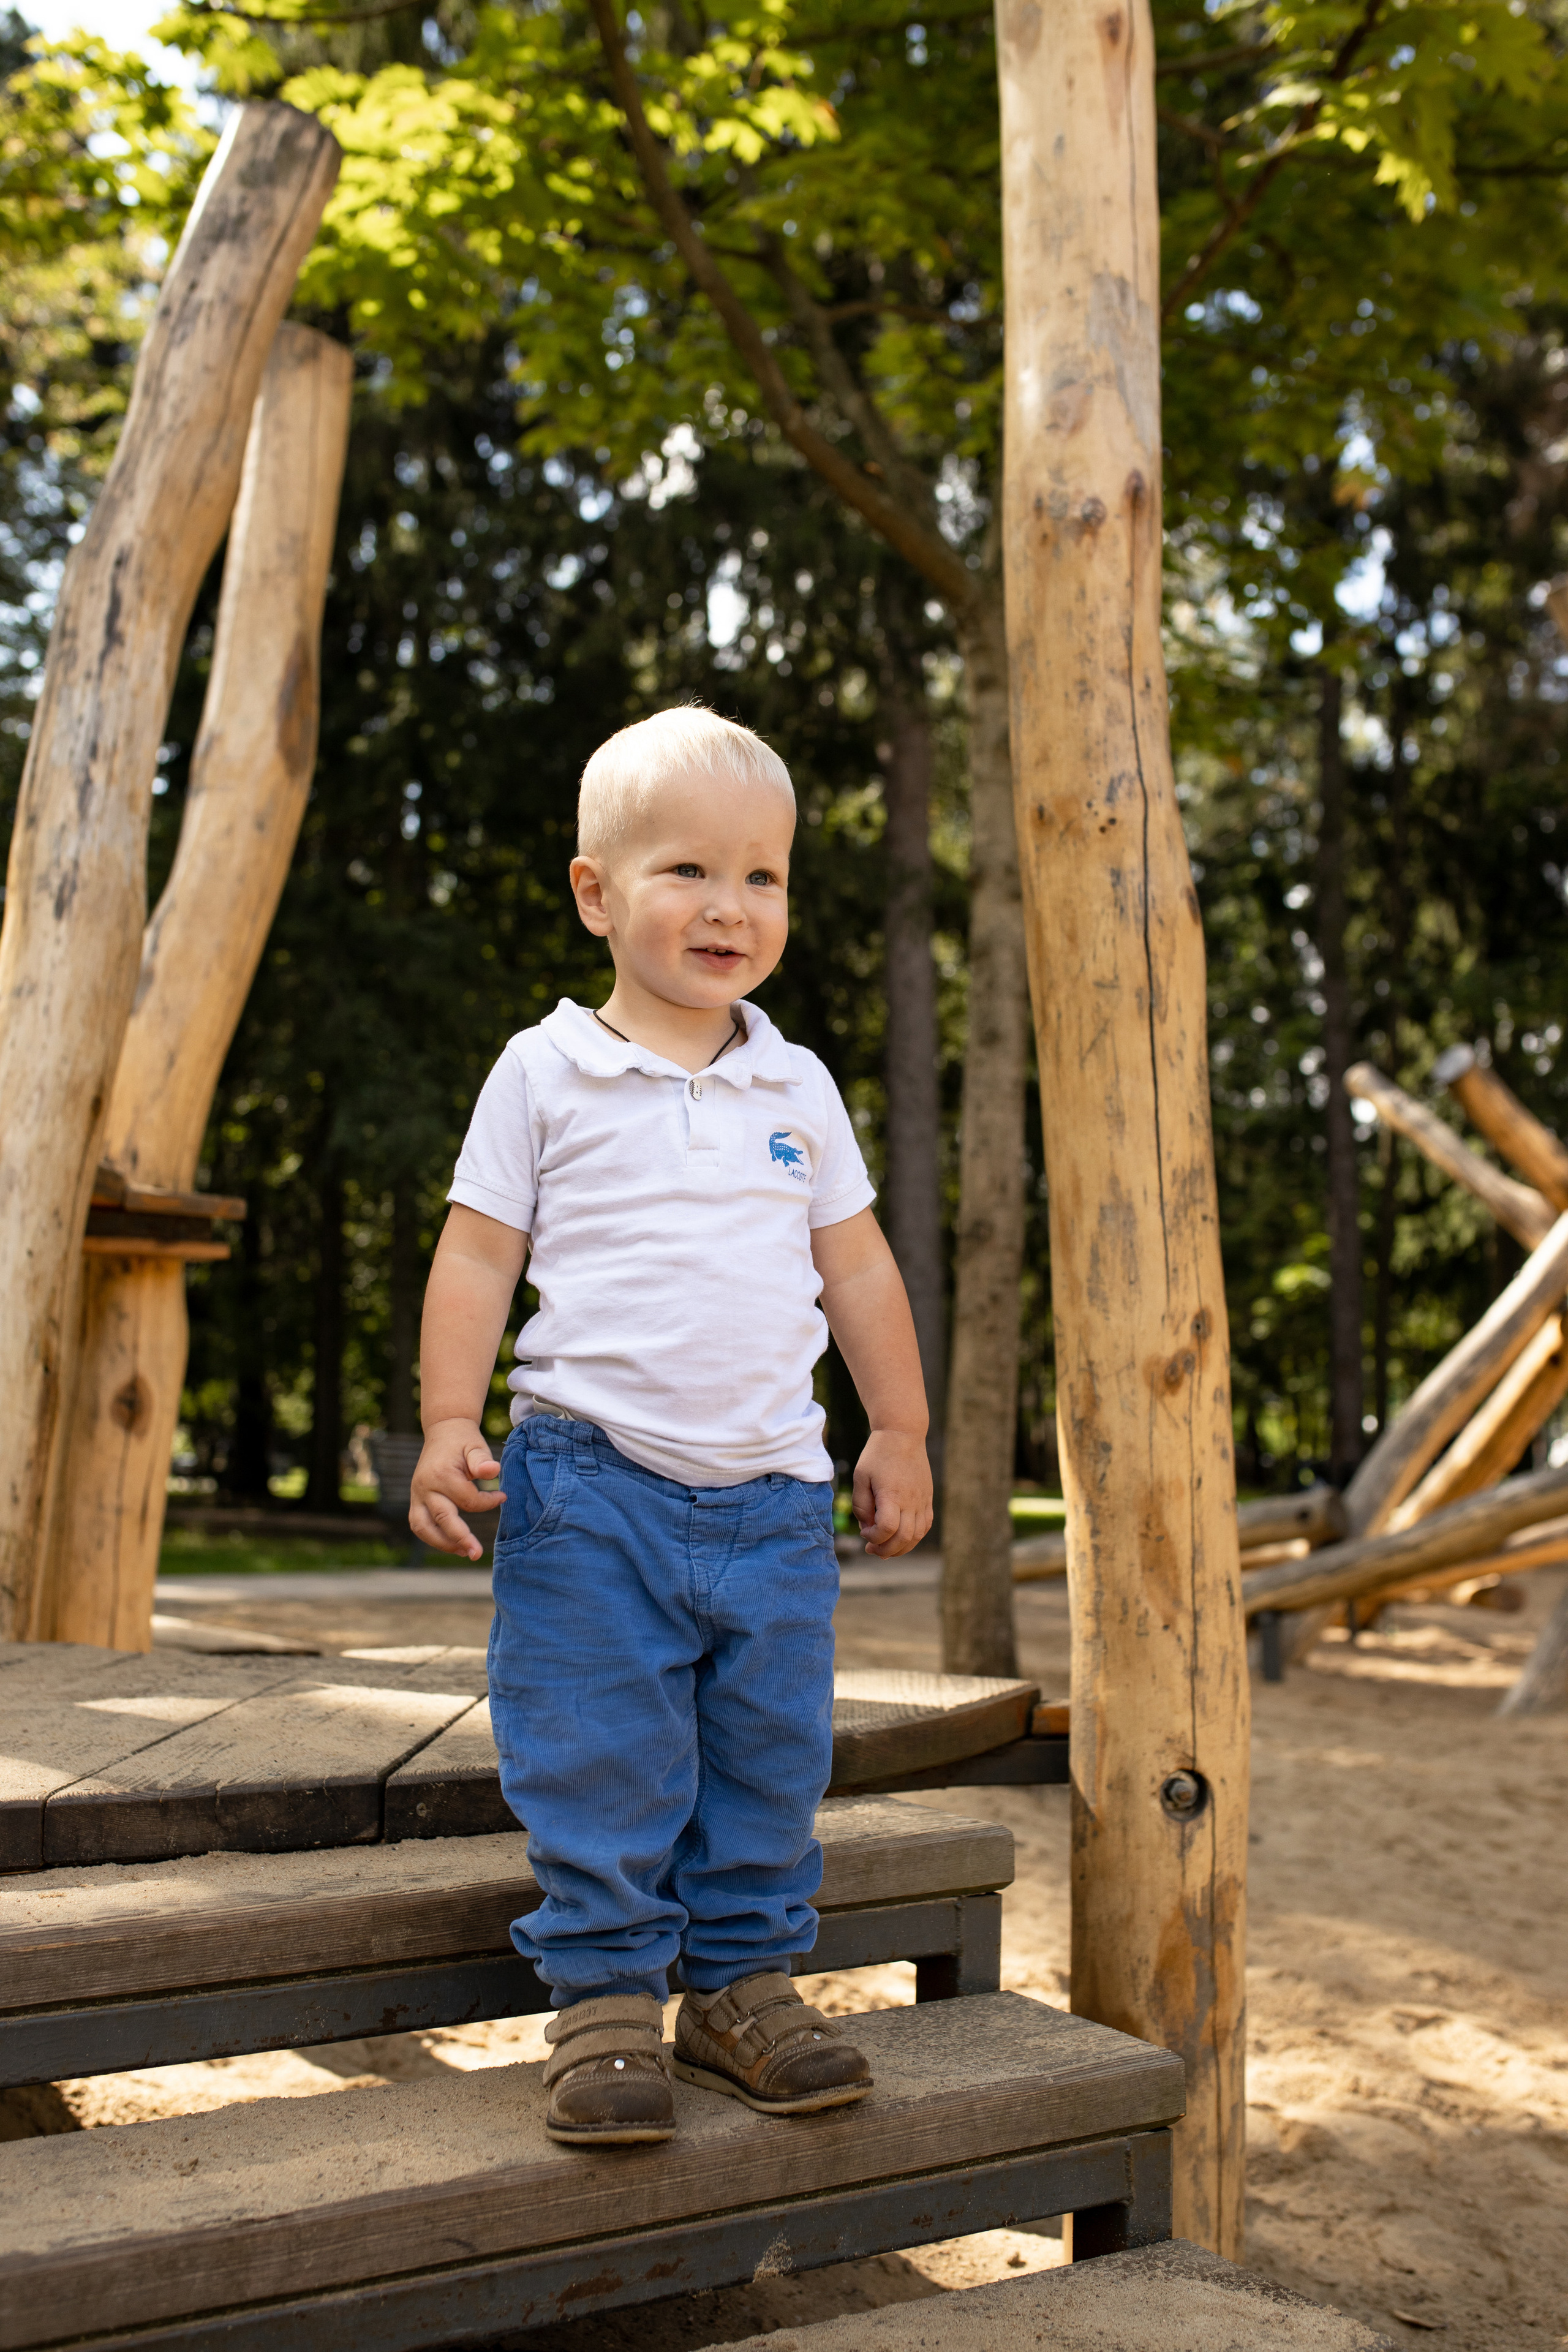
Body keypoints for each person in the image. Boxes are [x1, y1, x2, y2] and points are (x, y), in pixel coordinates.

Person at [411, 706, 933, 2147]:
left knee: (769, 1752)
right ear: (595, 893)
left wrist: (898, 1427)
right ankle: (601, 1999)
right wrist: (449, 1414)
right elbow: (474, 1256)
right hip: (589, 1486)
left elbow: (859, 1268)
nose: (728, 907)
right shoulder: (544, 1072)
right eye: (686, 872)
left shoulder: (797, 1084)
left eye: (761, 877)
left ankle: (741, 1989)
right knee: (596, 1744)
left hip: (772, 1496)